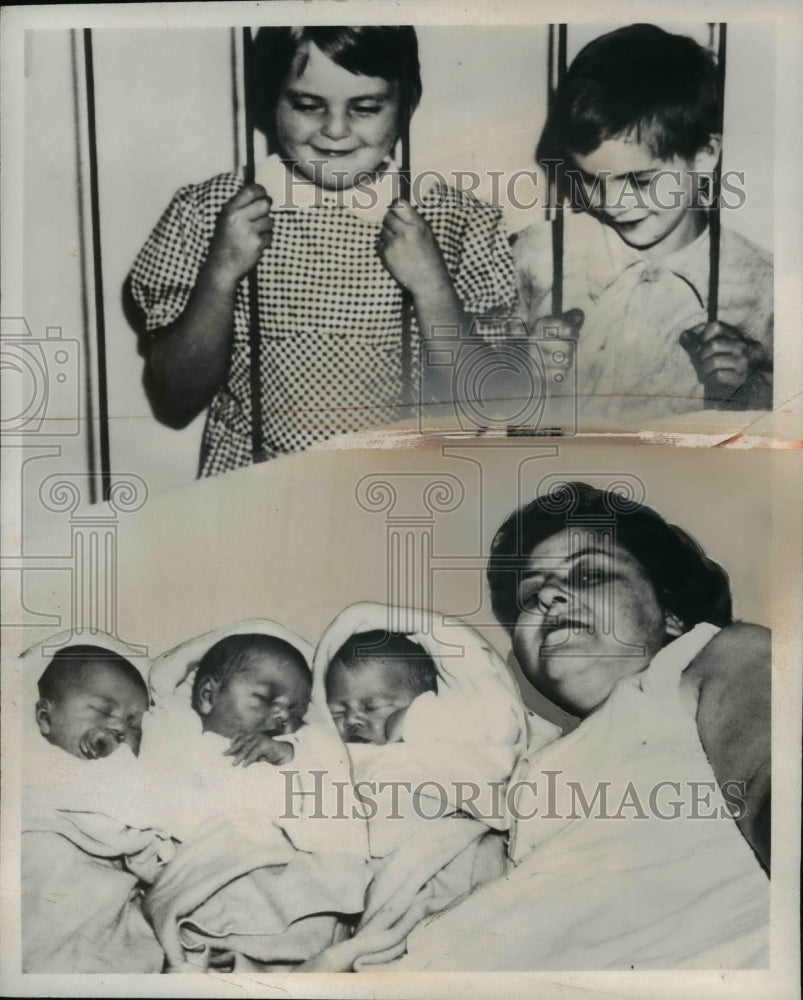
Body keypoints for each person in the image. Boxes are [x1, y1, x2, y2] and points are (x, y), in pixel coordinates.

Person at [301, 482, 770, 971]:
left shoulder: (712, 656)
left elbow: (779, 797)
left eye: (588, 574)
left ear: (672, 616)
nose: (547, 594)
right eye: (531, 594)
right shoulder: (527, 766)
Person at [129, 26, 517, 477]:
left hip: (405, 497)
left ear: (407, 103)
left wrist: (432, 287)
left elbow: (490, 405)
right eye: (308, 106)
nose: (335, 131)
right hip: (257, 499)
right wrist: (221, 272)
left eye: (366, 108)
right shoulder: (207, 213)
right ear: (269, 98)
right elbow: (175, 399)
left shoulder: (457, 220)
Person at [513, 24, 773, 424]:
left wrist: (750, 388)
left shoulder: (763, 284)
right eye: (589, 178)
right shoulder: (535, 254)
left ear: (705, 155)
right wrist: (520, 370)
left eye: (640, 180)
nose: (611, 203)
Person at [311, 603, 557, 969]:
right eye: (338, 711)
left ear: (424, 699)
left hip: (451, 847)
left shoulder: (439, 732)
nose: (353, 720)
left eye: (373, 706)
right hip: (384, 872)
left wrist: (416, 721)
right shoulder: (338, 759)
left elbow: (496, 748)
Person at [139, 622, 368, 971]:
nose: (281, 716)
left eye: (295, 712)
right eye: (264, 698)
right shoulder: (181, 741)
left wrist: (290, 757)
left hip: (277, 874)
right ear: (207, 696)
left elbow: (332, 816)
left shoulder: (294, 755)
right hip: (205, 870)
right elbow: (153, 800)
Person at [23, 641, 168, 973]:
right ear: (45, 717)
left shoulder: (126, 781)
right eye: (104, 711)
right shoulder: (35, 762)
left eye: (134, 726)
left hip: (103, 904)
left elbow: (141, 836)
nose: (120, 728)